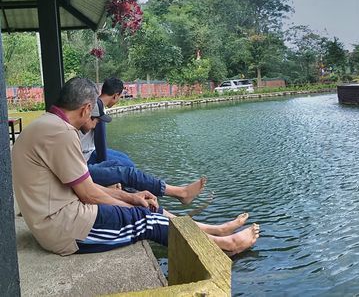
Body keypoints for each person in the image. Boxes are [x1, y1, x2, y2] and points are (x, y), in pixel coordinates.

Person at [12, 77, 259, 256]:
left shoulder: (47, 124)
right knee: (148, 220)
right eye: (93, 115)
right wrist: (133, 206)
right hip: (65, 229)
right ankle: (228, 246)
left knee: (144, 208)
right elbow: (88, 193)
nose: (95, 122)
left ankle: (213, 229)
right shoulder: (62, 133)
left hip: (55, 217)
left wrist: (131, 197)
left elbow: (86, 186)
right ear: (87, 108)